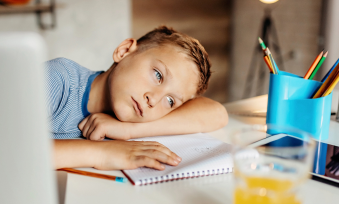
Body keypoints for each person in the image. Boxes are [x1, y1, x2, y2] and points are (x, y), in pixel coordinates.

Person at [47, 26, 228, 171]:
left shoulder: (132, 119)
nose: (154, 100)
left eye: (170, 101)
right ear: (124, 51)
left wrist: (127, 130)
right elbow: (19, 150)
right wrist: (102, 154)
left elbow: (218, 114)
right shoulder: (58, 79)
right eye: (158, 75)